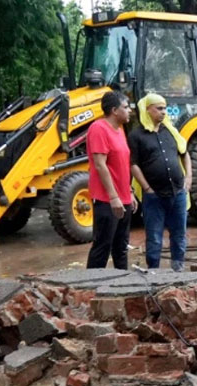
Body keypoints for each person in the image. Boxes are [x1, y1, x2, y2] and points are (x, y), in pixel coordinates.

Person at [129, 93, 192, 271]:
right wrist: (147, 188)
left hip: (178, 193)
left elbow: (185, 153)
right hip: (154, 196)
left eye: (165, 108)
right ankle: (154, 271)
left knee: (179, 234)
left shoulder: (171, 131)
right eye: (159, 108)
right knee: (154, 237)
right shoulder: (137, 136)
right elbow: (133, 164)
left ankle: (178, 269)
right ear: (147, 110)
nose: (164, 112)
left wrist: (188, 178)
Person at [86, 91, 134, 270]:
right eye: (126, 107)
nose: (129, 111)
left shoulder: (120, 130)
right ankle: (91, 288)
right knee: (102, 247)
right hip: (107, 200)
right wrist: (114, 197)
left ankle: (123, 286)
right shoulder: (98, 128)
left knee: (121, 248)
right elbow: (100, 165)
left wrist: (129, 192)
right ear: (114, 110)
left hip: (123, 199)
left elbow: (121, 165)